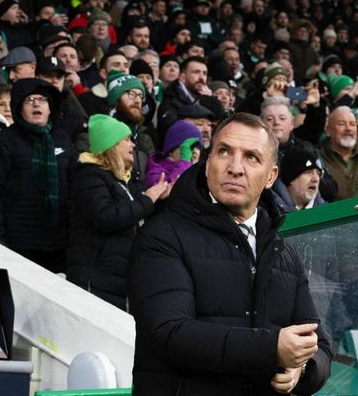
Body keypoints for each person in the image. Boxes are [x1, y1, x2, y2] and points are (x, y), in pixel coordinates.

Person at [128, 113, 332, 395]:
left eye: (251, 157)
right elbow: (171, 334)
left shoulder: (283, 252)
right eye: (224, 151)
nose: (235, 168)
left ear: (271, 176)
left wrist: (301, 368)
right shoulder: (161, 235)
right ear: (208, 162)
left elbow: (319, 345)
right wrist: (272, 349)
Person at [66, 114, 168, 310]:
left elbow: (140, 217)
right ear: (111, 144)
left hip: (118, 279)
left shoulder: (125, 180)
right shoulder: (89, 175)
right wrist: (147, 199)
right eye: (127, 140)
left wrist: (162, 199)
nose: (133, 145)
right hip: (95, 278)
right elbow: (106, 216)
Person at [0, 78, 77, 273]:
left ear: (50, 107)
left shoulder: (63, 139)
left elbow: (74, 188)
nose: (36, 104)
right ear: (19, 109)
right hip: (19, 242)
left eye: (42, 99)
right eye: (29, 100)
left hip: (59, 243)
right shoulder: (5, 141)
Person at [319, 106, 358, 200]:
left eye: (352, 124)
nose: (348, 128)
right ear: (328, 130)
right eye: (341, 124)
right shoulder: (318, 158)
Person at [271, 147, 326, 212]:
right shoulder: (271, 210)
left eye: (318, 173)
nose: (316, 179)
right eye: (308, 172)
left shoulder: (326, 210)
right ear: (291, 179)